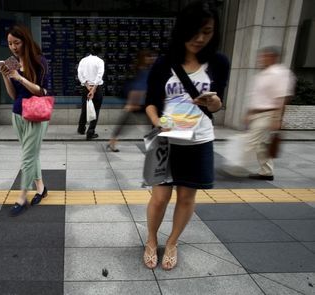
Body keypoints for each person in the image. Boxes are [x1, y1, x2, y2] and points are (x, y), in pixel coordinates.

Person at [143, 0, 230, 270]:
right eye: (195, 30)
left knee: (186, 197)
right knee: (159, 197)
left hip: (200, 139)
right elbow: (150, 102)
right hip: (167, 139)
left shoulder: (218, 62)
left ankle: (172, 242)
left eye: (207, 31)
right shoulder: (164, 63)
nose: (200, 37)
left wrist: (213, 103)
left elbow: (218, 103)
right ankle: (150, 239)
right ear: (182, 29)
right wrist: (158, 122)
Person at [0, 25, 50, 215]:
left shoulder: (39, 61)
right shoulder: (11, 62)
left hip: (36, 111)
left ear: (25, 41)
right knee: (31, 153)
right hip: (17, 113)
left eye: (16, 42)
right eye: (10, 43)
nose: (13, 47)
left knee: (27, 157)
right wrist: (6, 76)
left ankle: (22, 197)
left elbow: (43, 91)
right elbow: (14, 95)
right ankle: (41, 188)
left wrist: (19, 78)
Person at [242, 46, 295, 181]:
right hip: (258, 113)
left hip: (268, 114)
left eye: (265, 56)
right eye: (262, 56)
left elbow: (282, 97)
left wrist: (277, 119)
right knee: (261, 144)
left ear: (273, 57)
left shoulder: (280, 73)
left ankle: (236, 166)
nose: (262, 59)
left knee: (252, 141)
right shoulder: (263, 74)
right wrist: (249, 113)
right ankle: (266, 172)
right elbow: (256, 96)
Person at [107, 49, 157, 152]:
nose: (150, 59)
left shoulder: (149, 70)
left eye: (151, 57)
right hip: (136, 102)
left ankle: (154, 145)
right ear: (142, 58)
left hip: (145, 102)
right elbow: (133, 86)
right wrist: (130, 102)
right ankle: (112, 141)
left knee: (152, 124)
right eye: (147, 57)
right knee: (125, 123)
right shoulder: (138, 71)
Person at [77, 43, 105, 140]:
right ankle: (90, 132)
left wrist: (88, 87)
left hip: (86, 88)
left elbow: (80, 74)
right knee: (95, 110)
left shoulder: (83, 60)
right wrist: (93, 89)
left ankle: (81, 129)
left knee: (85, 108)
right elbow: (99, 76)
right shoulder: (100, 61)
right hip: (97, 88)